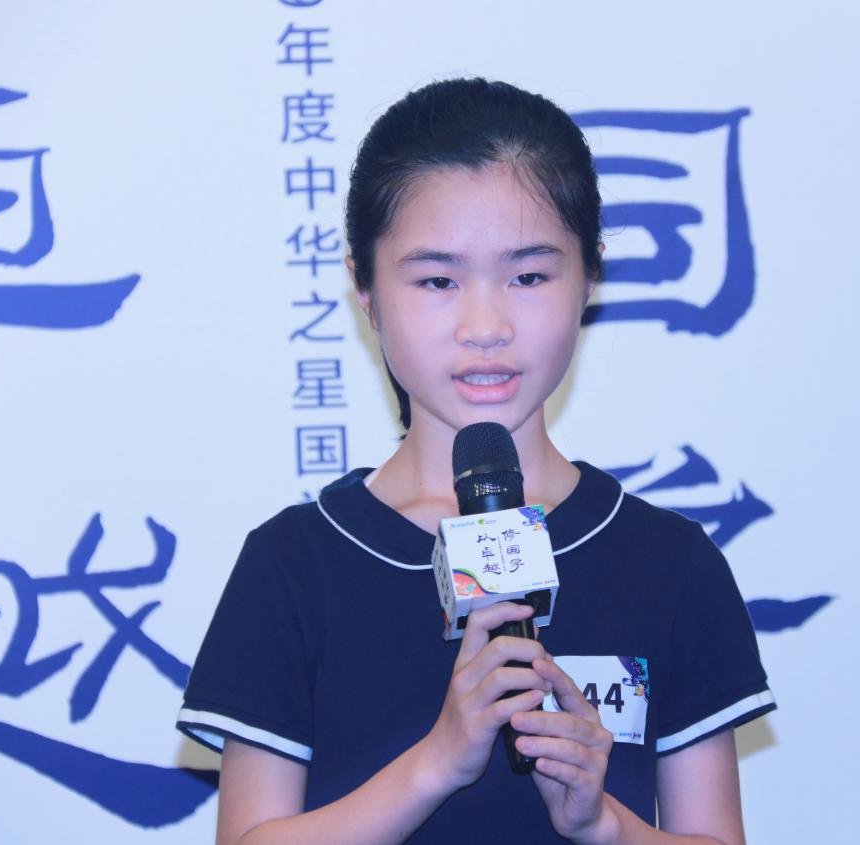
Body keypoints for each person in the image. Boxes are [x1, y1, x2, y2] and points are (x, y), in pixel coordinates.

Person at [177, 78, 775, 845]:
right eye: (437, 280)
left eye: (528, 276)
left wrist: (605, 824)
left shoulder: (669, 562)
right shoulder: (294, 565)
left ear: (590, 275)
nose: (484, 325)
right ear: (364, 286)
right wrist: (434, 763)